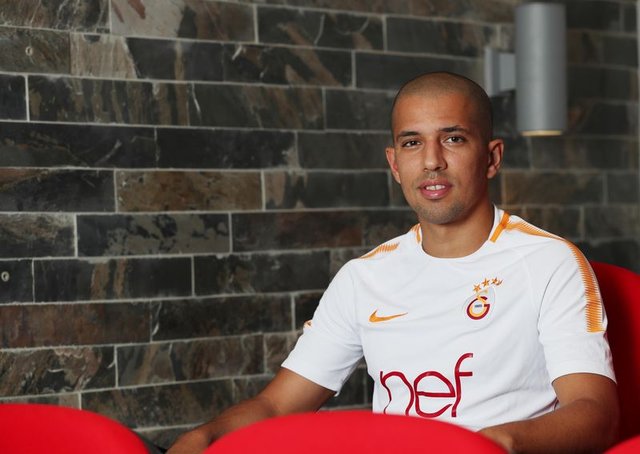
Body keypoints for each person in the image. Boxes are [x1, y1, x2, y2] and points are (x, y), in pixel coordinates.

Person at [167, 72, 619, 453]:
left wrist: (490, 445)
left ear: (491, 157)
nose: (432, 162)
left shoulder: (548, 262)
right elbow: (277, 406)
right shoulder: (364, 278)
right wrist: (202, 437)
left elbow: (594, 413)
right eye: (412, 143)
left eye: (454, 138)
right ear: (395, 163)